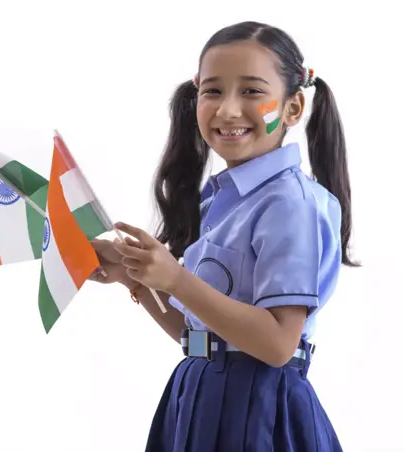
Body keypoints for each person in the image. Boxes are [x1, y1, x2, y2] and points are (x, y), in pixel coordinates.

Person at [90, 20, 358, 452]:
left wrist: (176, 279)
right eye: (213, 91)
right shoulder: (219, 200)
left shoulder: (289, 204)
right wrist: (136, 278)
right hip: (199, 396)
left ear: (292, 108)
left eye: (251, 91)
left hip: (258, 412)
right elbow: (198, 335)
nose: (228, 110)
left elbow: (275, 344)